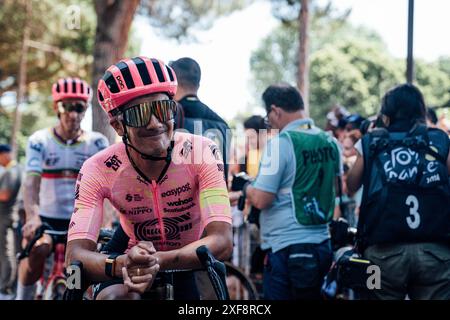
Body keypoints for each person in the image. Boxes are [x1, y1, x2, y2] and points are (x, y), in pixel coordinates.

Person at [65, 56, 233, 300]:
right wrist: (121, 264)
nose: (155, 123)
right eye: (140, 113)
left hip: (189, 255)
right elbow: (74, 258)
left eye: (163, 108)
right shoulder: (98, 168)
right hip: (128, 254)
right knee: (102, 293)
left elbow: (222, 241)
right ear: (118, 126)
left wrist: (156, 261)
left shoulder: (202, 152)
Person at [347, 83, 450, 300]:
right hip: (436, 254)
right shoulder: (440, 140)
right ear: (420, 110)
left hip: (379, 256)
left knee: (373, 293)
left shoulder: (372, 142)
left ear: (386, 113)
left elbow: (351, 186)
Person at [242, 83, 341, 300]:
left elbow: (262, 199)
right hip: (323, 243)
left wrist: (247, 188)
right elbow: (338, 189)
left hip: (287, 247)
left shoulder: (282, 143)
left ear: (275, 111)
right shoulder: (330, 142)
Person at [16, 77, 109, 300]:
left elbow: (106, 186)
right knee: (37, 249)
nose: (73, 113)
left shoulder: (97, 142)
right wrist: (32, 216)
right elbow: (31, 182)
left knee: (75, 267)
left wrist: (105, 222)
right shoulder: (40, 140)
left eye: (79, 107)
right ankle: (23, 296)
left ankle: (72, 294)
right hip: (46, 219)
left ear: (86, 109)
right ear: (56, 108)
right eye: (66, 106)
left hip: (81, 223)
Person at [169, 57, 230, 182]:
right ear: (198, 84)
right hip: (214, 198)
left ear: (173, 82)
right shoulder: (223, 125)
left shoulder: (166, 121)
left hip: (178, 198)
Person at [0, 144, 22, 299]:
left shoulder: (12, 172)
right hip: (9, 217)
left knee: (6, 253)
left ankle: (6, 286)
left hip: (6, 218)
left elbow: (5, 195)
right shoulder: (16, 169)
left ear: (5, 154)